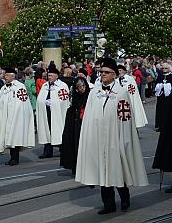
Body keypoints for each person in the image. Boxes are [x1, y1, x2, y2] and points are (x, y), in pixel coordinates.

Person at [75, 57, 147, 214]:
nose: (103, 75)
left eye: (107, 72)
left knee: (117, 170)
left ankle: (125, 198)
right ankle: (108, 204)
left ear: (114, 74)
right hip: (99, 137)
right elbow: (89, 116)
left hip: (115, 137)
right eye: (101, 72)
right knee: (103, 172)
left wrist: (124, 139)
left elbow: (125, 118)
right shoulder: (94, 92)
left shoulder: (122, 92)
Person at [0, 68, 34, 166]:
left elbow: (22, 103)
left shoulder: (20, 87)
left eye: (7, 75)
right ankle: (11, 157)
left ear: (13, 76)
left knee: (14, 136)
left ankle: (14, 158)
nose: (5, 77)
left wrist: (16, 114)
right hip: (6, 116)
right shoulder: (3, 88)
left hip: (15, 116)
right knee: (7, 136)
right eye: (5, 75)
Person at [36, 65, 70, 159]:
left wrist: (53, 102)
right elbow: (40, 98)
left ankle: (63, 150)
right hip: (46, 112)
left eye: (51, 75)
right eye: (48, 75)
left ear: (56, 76)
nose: (49, 77)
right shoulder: (45, 85)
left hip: (57, 113)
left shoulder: (62, 86)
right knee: (47, 130)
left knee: (58, 130)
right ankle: (47, 151)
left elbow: (64, 100)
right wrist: (44, 102)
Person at [60, 76, 90, 174]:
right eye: (79, 87)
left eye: (83, 86)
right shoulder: (75, 97)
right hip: (77, 125)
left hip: (87, 125)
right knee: (75, 146)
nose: (81, 89)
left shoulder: (90, 96)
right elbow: (73, 107)